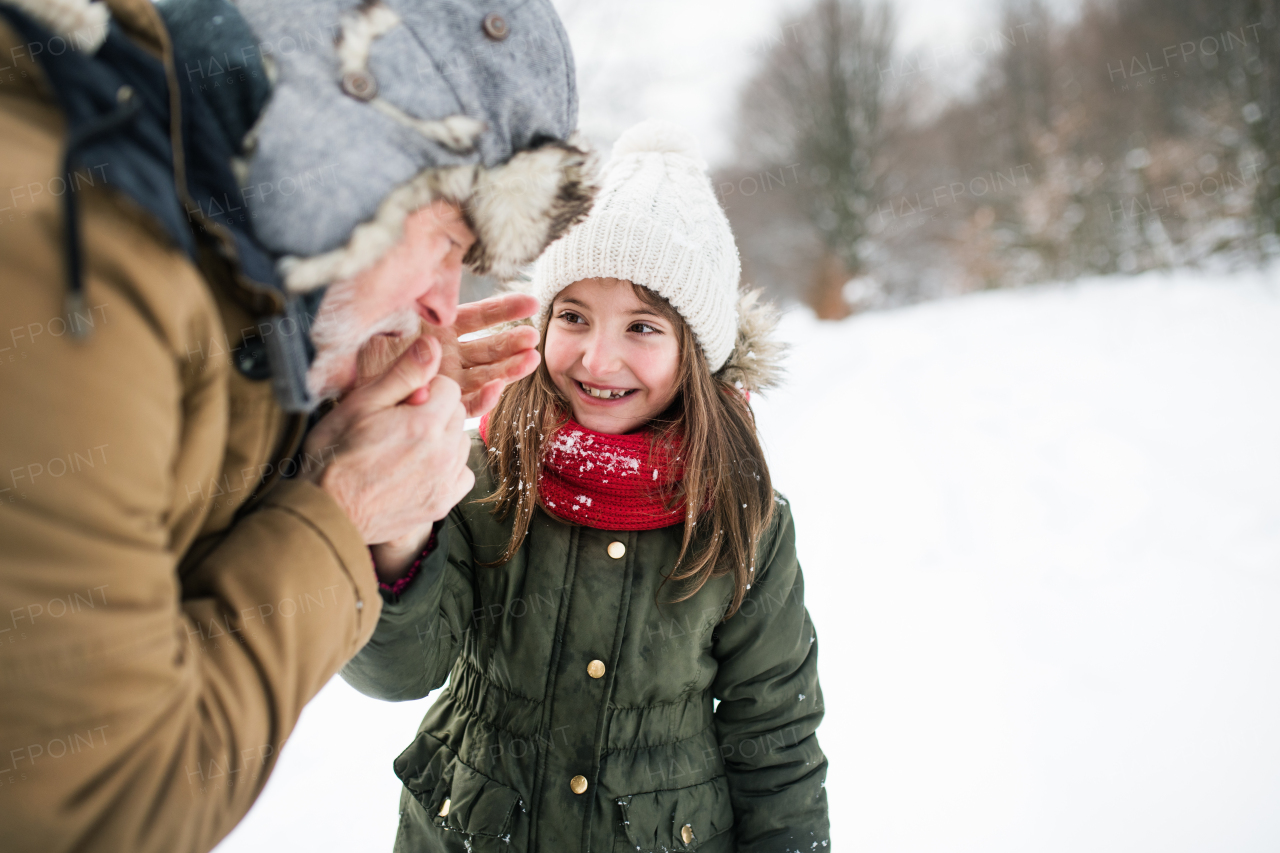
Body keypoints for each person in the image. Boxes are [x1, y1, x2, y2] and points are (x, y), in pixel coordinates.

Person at [0, 0, 596, 850]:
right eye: (445, 242)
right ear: (347, 156)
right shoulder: (79, 261)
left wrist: (333, 420)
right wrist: (343, 505)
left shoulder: (171, 236)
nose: (439, 305)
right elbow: (97, 809)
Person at [343, 121, 830, 853]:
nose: (598, 358)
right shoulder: (480, 472)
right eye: (573, 316)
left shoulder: (743, 515)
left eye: (642, 326)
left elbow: (775, 734)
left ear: (695, 351)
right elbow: (400, 671)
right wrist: (401, 515)